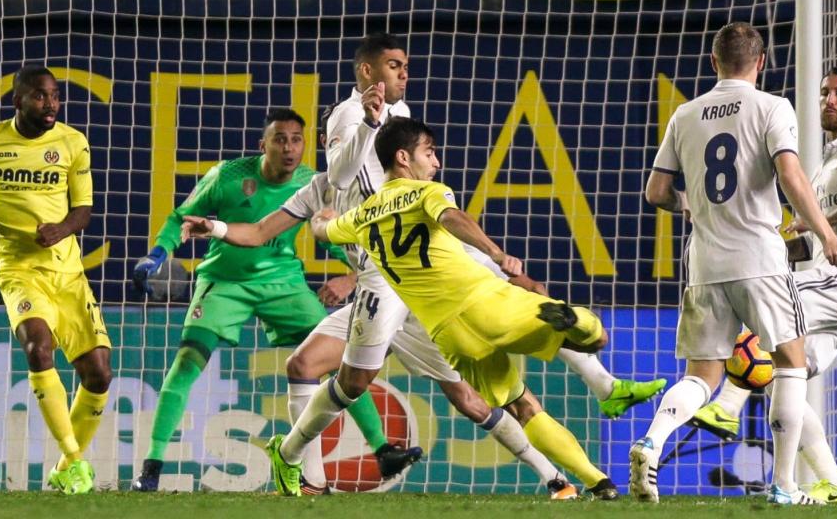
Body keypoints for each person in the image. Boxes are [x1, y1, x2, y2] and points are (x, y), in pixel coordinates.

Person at [259, 114, 618, 498]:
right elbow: (454, 218)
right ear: (403, 158)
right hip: (482, 305)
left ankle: (588, 481)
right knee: (590, 339)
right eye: (429, 153)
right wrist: (498, 255)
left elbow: (326, 230)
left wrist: (321, 222)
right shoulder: (427, 192)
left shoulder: (361, 215)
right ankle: (582, 337)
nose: (436, 162)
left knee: (512, 403)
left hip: (446, 332)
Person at [323, 33, 663, 421]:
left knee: (526, 288)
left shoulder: (399, 112)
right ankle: (298, 449)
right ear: (367, 70)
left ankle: (604, 386)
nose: (404, 74)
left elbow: (415, 184)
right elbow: (338, 175)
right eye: (394, 66)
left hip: (425, 231)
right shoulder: (350, 113)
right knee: (370, 380)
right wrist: (368, 122)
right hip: (392, 255)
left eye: (405, 67)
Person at [129, 108, 419, 491]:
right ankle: (151, 469)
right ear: (262, 144)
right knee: (186, 362)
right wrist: (158, 253)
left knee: (342, 360)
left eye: (296, 139)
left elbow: (338, 233)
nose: (289, 147)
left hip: (284, 283)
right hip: (223, 282)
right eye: (280, 139)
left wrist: (351, 276)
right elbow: (181, 216)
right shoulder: (227, 176)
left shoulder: (312, 182)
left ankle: (382, 452)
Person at [634, 22, 837, 505]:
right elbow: (790, 173)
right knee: (790, 363)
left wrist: (686, 205)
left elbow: (655, 193)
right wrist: (826, 234)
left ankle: (651, 442)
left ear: (714, 62)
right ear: (761, 62)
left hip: (705, 261)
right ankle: (783, 485)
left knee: (702, 376)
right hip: (759, 258)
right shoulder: (772, 106)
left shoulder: (685, 114)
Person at [689, 66, 837, 503]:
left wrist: (826, 228)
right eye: (825, 92)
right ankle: (834, 483)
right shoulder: (824, 167)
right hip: (829, 282)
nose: (829, 100)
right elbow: (812, 246)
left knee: (762, 317)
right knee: (783, 375)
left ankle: (726, 408)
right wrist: (780, 247)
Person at [0, 66, 112, 495]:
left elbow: (84, 210)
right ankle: (75, 462)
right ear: (17, 101)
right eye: (40, 96)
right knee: (38, 348)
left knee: (99, 375)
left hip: (68, 274)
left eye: (54, 96)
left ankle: (64, 468)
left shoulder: (73, 143)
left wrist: (62, 229)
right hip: (19, 271)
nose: (51, 104)